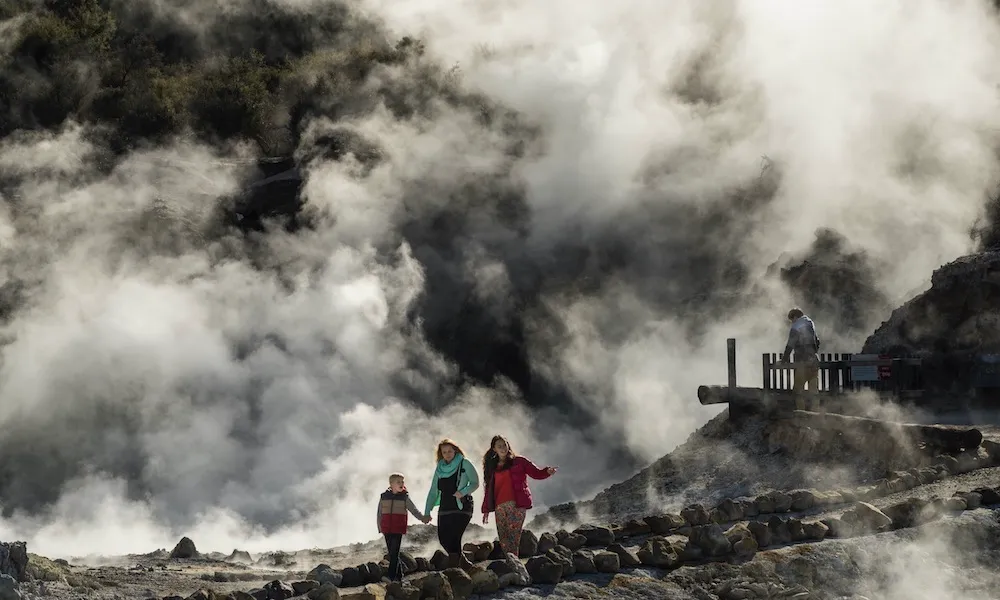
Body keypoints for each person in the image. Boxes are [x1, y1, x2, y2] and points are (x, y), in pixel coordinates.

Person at [481, 434, 558, 556]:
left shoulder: (519, 461)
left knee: (513, 537)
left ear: (508, 446)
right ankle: (511, 564)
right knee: (504, 539)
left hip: (517, 505)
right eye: (499, 446)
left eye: (504, 445)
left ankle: (515, 565)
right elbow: (489, 490)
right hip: (499, 507)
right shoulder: (492, 467)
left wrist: (547, 472)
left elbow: (536, 473)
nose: (503, 448)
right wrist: (486, 509)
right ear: (494, 449)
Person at [424, 438, 480, 569]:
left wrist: (463, 492)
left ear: (455, 451)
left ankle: (454, 573)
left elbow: (475, 482)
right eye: (444, 452)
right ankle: (466, 565)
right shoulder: (440, 468)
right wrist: (427, 512)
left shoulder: (464, 463)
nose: (447, 454)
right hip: (445, 507)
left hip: (462, 506)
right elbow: (433, 491)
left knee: (454, 538)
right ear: (441, 454)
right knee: (443, 539)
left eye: (450, 451)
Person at [377, 472, 431, 582]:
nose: (401, 484)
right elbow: (379, 513)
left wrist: (423, 518)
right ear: (391, 484)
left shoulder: (404, 497)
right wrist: (380, 527)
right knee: (392, 553)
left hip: (398, 529)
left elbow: (413, 510)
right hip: (386, 529)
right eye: (398, 482)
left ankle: (391, 577)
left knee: (394, 553)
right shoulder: (383, 496)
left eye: (402, 481)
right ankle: (400, 575)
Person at [782, 307, 821, 410]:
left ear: (795, 317)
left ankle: (801, 412)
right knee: (814, 390)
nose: (791, 322)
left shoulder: (796, 326)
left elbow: (790, 345)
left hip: (802, 362)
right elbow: (817, 342)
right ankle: (815, 412)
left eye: (792, 319)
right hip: (814, 360)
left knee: (798, 389)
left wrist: (784, 360)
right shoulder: (810, 323)